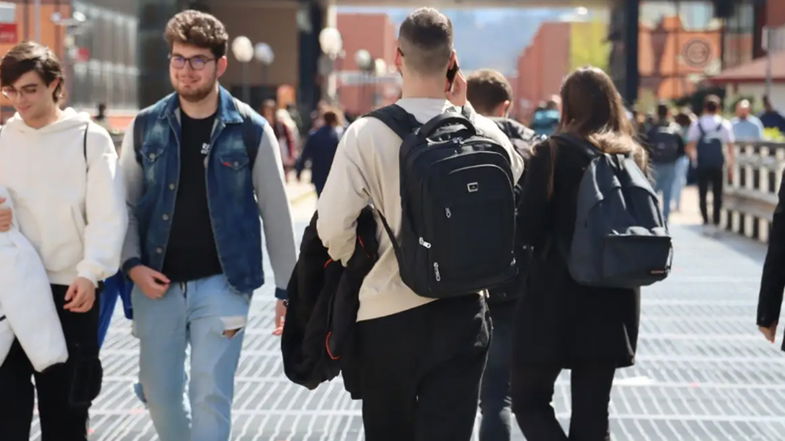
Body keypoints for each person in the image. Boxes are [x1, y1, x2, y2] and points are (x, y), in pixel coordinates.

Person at [316, 8, 523, 441]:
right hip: (463, 311)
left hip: (386, 315)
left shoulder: (365, 134)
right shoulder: (482, 130)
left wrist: (359, 257)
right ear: (453, 61)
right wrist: (464, 107)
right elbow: (515, 177)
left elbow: (331, 228)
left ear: (396, 57)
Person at [119, 10, 297, 441]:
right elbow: (122, 204)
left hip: (225, 283)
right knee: (160, 395)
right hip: (155, 284)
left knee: (210, 394)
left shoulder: (252, 130)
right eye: (178, 58)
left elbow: (276, 214)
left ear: (220, 65)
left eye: (198, 60)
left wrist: (289, 290)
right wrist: (132, 265)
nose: (186, 69)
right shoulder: (145, 127)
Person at [0, 41, 127, 441]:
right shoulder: (4, 140)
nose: (19, 100)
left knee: (66, 417)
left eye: (29, 89)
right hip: (11, 293)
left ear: (55, 85)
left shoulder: (90, 139)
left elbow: (109, 216)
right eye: (11, 91)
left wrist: (91, 274)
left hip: (70, 291)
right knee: (7, 417)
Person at [511, 66, 643, 441]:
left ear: (568, 105)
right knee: (592, 412)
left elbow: (529, 228)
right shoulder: (630, 157)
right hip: (614, 295)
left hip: (553, 296)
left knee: (527, 399)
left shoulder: (551, 153)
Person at [466, 67, 535, 441]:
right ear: (505, 106)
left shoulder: (449, 138)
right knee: (497, 397)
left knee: (448, 397)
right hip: (511, 286)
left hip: (454, 285)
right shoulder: (530, 146)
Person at [686, 95, 735, 237]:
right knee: (717, 193)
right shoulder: (724, 124)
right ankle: (717, 220)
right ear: (718, 108)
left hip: (702, 163)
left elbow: (690, 146)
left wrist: (694, 159)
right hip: (718, 164)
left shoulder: (697, 124)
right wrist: (731, 166)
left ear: (705, 107)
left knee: (702, 192)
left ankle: (705, 220)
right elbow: (730, 146)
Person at [645, 103, 685, 222]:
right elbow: (681, 150)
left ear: (657, 113)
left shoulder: (652, 129)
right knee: (668, 194)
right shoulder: (675, 129)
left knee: (653, 192)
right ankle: (665, 218)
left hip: (655, 165)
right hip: (670, 164)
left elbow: (646, 147)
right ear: (668, 113)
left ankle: (652, 218)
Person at [294, 108, 343, 196]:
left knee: (320, 197)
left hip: (317, 173)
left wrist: (299, 171)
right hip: (332, 174)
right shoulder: (337, 137)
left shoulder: (314, 135)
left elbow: (305, 154)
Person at [261, 99, 297, 177]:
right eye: (267, 110)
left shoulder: (280, 125)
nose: (269, 113)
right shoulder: (260, 124)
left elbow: (289, 140)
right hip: (264, 156)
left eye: (271, 110)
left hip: (279, 156)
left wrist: (291, 155)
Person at [672, 109, 695, 211]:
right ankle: (677, 204)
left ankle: (673, 203)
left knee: (673, 181)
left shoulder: (675, 128)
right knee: (679, 181)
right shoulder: (689, 129)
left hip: (673, 158)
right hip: (682, 157)